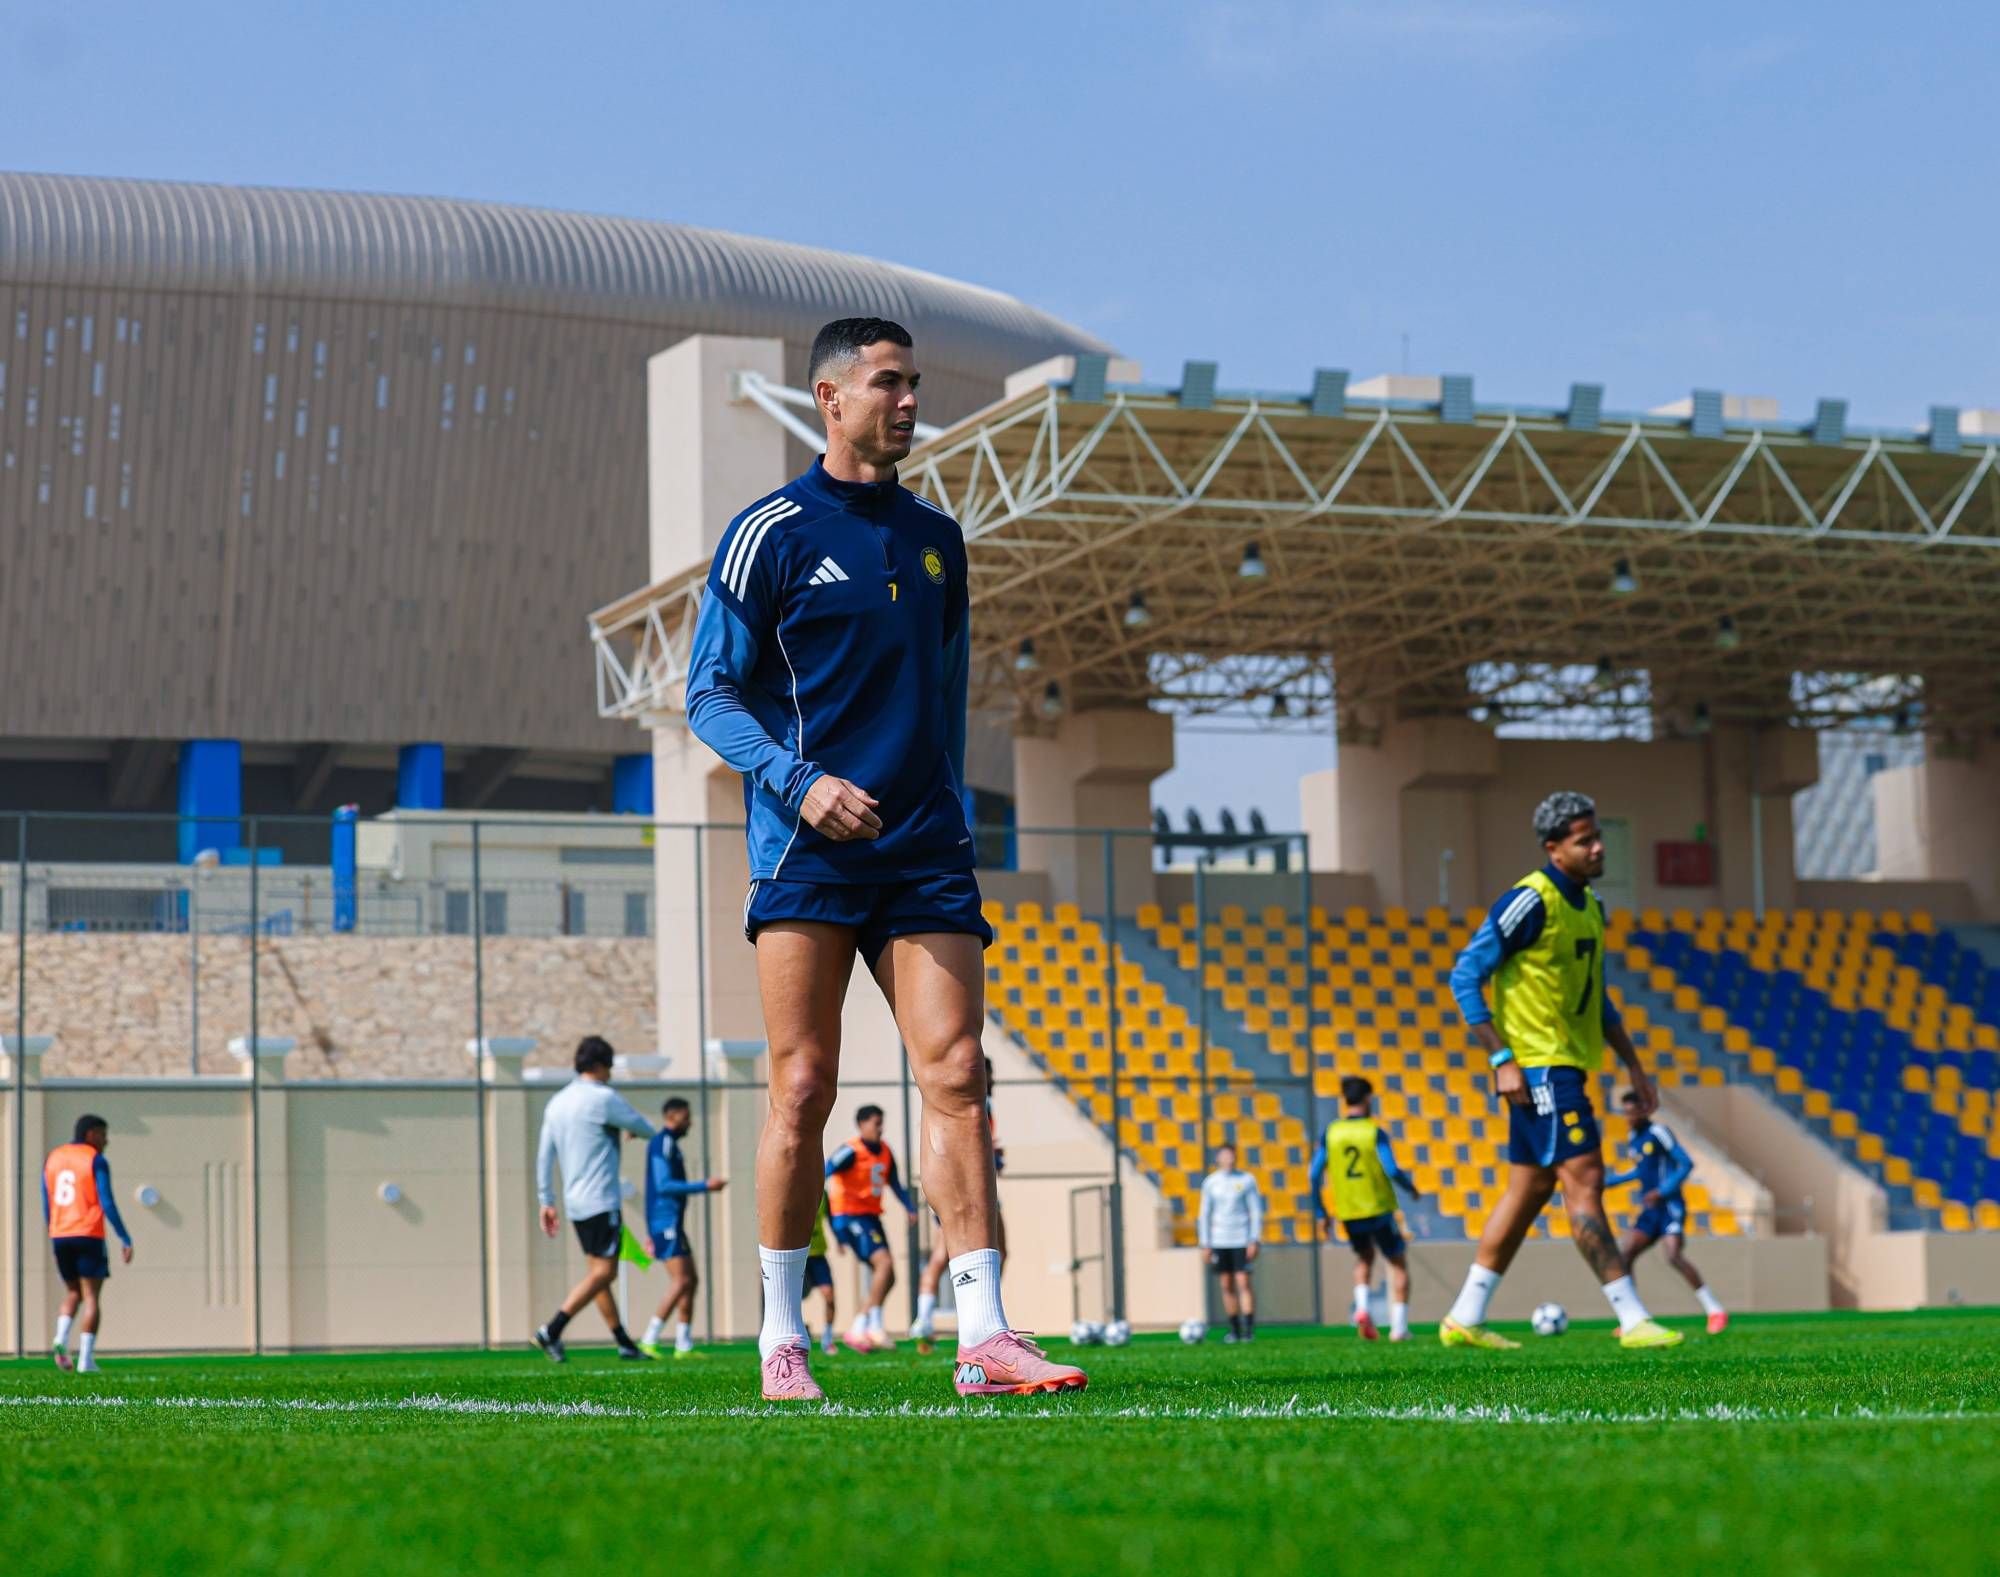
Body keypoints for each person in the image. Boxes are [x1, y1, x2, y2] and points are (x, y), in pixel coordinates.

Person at [686, 315, 1083, 1400]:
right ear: (830, 398)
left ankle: (984, 1336)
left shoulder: (937, 539)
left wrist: (944, 811)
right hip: (805, 849)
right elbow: (707, 694)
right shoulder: (765, 533)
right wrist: (798, 781)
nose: (908, 401)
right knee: (803, 1085)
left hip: (923, 850)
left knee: (957, 1073)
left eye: (913, 384)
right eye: (888, 384)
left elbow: (944, 701)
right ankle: (781, 1338)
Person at [1440, 791, 1684, 1351]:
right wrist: (1501, 1058)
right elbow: (1464, 976)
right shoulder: (1529, 901)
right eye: (1584, 841)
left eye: (1598, 837)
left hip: (1566, 1065)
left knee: (1528, 1191)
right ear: (1553, 849)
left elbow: (1596, 999)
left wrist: (1634, 1065)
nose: (1598, 848)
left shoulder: (1592, 907)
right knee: (1586, 1179)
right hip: (1542, 1069)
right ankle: (1632, 1317)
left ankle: (1464, 1316)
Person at [532, 1036, 655, 1363]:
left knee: (597, 1274)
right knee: (605, 1273)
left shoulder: (557, 1103)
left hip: (575, 1203)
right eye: (610, 1067)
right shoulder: (603, 1098)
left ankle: (624, 1343)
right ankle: (552, 1329)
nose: (611, 1074)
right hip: (601, 1199)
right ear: (600, 1065)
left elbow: (544, 1156)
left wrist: (546, 1200)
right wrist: (632, 1129)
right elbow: (646, 1128)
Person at [1608, 1090, 1729, 1335]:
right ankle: (1634, 1318)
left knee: (1673, 1256)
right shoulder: (1634, 1138)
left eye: (1633, 1112)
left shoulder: (1658, 1132)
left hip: (1670, 1206)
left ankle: (1715, 1310)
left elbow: (1686, 1163)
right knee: (1625, 1255)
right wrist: (1609, 1182)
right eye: (1626, 1113)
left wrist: (1663, 1191)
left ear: (1644, 1110)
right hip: (1650, 1210)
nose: (1629, 1118)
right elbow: (1640, 1171)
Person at [1309, 1076, 1420, 1342]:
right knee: (1398, 1263)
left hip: (1349, 1210)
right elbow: (1391, 1169)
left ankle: (1361, 1308)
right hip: (1377, 1206)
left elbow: (1313, 1174)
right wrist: (1411, 1188)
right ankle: (1399, 1328)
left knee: (1364, 1258)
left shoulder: (1331, 1132)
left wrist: (1320, 1212)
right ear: (1368, 1098)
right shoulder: (1373, 1131)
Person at [912, 1055, 1007, 1355]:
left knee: (943, 1255)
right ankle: (981, 1318)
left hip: (955, 1185)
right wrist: (994, 1158)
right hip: (967, 1188)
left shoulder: (965, 1104)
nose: (990, 1079)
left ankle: (927, 1319)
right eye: (987, 1073)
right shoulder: (975, 1105)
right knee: (991, 1251)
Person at [44, 1114, 134, 1374]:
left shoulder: (53, 1158)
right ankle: (85, 1359)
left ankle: (61, 1337)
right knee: (91, 1295)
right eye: (103, 1135)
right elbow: (107, 1202)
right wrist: (124, 1236)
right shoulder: (95, 1159)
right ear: (91, 1134)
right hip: (87, 1232)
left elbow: (47, 1201)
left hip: (60, 1233)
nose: (106, 1141)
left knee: (73, 1292)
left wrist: (53, 1232)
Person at [639, 1096, 726, 1359]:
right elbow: (663, 1185)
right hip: (665, 1223)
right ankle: (649, 1338)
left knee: (691, 1280)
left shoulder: (670, 1144)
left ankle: (683, 1344)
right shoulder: (663, 1142)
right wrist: (705, 1185)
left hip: (672, 1223)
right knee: (682, 1280)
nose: (689, 1123)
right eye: (686, 1117)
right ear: (672, 1115)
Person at [825, 1104, 916, 1353]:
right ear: (861, 1125)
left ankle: (871, 1326)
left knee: (889, 1276)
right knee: (884, 1264)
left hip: (871, 1218)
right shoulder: (850, 1150)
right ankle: (861, 1327)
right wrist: (832, 1225)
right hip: (849, 1216)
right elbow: (824, 1171)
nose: (880, 1128)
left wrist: (909, 1207)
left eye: (881, 1123)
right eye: (876, 1123)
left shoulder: (885, 1151)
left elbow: (895, 1183)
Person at [1197, 1144, 1265, 1342]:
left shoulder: (1246, 1180)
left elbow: (1255, 1210)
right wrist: (1205, 1243)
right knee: (1226, 1284)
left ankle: (1248, 1330)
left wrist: (1254, 1239)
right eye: (1225, 1156)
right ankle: (1234, 1330)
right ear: (1218, 1159)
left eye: (1232, 1156)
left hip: (1241, 1238)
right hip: (1219, 1240)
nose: (1229, 1159)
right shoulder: (1211, 1183)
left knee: (1243, 1281)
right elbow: (1204, 1214)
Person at [804, 1195, 838, 1357]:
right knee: (791, 1300)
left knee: (829, 1296)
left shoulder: (823, 1194)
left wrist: (840, 1240)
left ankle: (827, 1339)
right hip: (798, 1256)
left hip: (818, 1256)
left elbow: (831, 1219)